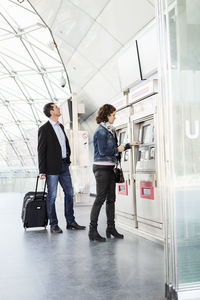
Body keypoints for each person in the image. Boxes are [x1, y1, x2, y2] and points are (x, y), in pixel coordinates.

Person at [88, 104, 140, 242]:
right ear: (106, 115)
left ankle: (110, 228)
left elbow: (115, 148)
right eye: (113, 114)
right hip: (101, 168)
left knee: (111, 199)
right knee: (100, 199)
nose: (115, 117)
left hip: (110, 168)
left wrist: (129, 145)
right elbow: (104, 151)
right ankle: (92, 231)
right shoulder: (101, 131)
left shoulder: (110, 130)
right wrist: (119, 149)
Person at [38, 102, 86, 233]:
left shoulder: (61, 126)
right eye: (56, 107)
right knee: (52, 196)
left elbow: (64, 145)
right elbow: (41, 151)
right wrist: (42, 170)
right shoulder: (44, 129)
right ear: (51, 112)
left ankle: (70, 222)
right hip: (52, 168)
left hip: (64, 165)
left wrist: (68, 159)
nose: (59, 108)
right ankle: (53, 224)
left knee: (70, 193)